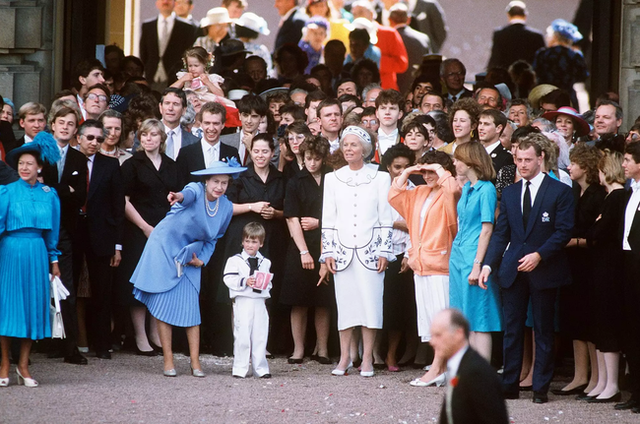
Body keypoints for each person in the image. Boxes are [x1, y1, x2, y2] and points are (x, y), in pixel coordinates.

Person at [480, 136, 575, 404]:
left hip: (544, 268)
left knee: (543, 329)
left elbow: (563, 231)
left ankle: (540, 387)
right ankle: (509, 384)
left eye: (527, 160)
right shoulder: (510, 193)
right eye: (518, 160)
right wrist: (488, 263)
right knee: (512, 328)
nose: (522, 165)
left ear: (541, 157)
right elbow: (501, 233)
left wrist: (539, 255)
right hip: (512, 268)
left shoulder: (560, 191)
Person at [131, 159, 245, 376]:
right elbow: (186, 195)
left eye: (224, 182)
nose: (219, 187)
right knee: (163, 306)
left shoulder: (226, 207)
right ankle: (168, 362)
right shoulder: (194, 189)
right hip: (164, 247)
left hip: (191, 253)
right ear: (206, 181)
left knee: (192, 309)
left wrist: (202, 260)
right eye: (215, 182)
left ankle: (195, 363)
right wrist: (178, 197)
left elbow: (214, 239)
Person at [319, 125, 394, 377]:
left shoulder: (380, 177)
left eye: (354, 145)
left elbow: (386, 218)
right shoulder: (333, 177)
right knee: (346, 305)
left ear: (365, 149)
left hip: (371, 251)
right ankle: (344, 359)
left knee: (371, 305)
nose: (348, 149)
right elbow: (328, 218)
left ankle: (368, 360)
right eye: (345, 144)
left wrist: (384, 250)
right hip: (341, 251)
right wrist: (327, 252)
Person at [388, 150, 460, 387]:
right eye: (425, 171)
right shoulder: (418, 192)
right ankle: (441, 368)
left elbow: (452, 189)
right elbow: (394, 195)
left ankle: (441, 369)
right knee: (430, 321)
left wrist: (441, 171)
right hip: (420, 263)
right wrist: (410, 170)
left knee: (442, 320)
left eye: (432, 171)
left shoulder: (450, 191)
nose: (427, 175)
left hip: (440, 264)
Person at [0, 133, 61, 390]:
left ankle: (23, 365)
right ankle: (4, 363)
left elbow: (53, 233)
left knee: (32, 309)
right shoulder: (6, 191)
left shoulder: (50, 194)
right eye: (21, 163)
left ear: (40, 167)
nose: (24, 168)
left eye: (29, 164)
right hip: (10, 252)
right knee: (8, 310)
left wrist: (54, 261)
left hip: (37, 253)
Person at [117, 119, 181, 356]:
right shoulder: (132, 165)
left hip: (166, 232)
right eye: (144, 135)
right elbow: (123, 201)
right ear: (139, 138)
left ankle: (155, 333)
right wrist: (144, 227)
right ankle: (140, 336)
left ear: (162, 138)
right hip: (139, 230)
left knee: (160, 283)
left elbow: (180, 197)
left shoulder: (172, 165)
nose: (148, 139)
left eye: (154, 135)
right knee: (139, 283)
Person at [73, 120, 125, 360]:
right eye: (90, 137)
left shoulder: (110, 164)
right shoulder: (68, 161)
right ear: (79, 138)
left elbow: (118, 207)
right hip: (72, 233)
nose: (94, 142)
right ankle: (69, 345)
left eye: (98, 138)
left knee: (102, 291)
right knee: (70, 290)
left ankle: (102, 345)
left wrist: (117, 245)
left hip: (102, 236)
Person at [40, 106, 88, 365]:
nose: (66, 127)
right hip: (38, 230)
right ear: (53, 124)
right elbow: (38, 188)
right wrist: (63, 189)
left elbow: (79, 196)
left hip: (66, 232)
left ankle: (70, 347)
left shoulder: (79, 159)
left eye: (71, 124)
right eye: (61, 122)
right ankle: (36, 344)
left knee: (66, 288)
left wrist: (56, 190)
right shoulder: (40, 153)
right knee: (36, 285)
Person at [280, 135, 332, 364]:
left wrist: (319, 223)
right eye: (309, 158)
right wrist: (303, 251)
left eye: (317, 159)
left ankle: (322, 349)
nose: (312, 163)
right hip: (300, 243)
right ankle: (298, 349)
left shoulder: (333, 179)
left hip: (328, 242)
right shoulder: (296, 181)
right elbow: (291, 218)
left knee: (324, 299)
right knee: (298, 299)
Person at [449, 142, 501, 362]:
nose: (455, 163)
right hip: (459, 253)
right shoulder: (468, 188)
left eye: (458, 159)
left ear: (470, 161)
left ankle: (482, 374)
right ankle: (468, 370)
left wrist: (478, 264)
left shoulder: (486, 188)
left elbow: (487, 228)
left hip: (473, 254)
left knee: (479, 317)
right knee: (464, 317)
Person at [582, 151, 626, 403]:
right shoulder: (613, 197)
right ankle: (603, 382)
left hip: (609, 267)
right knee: (600, 324)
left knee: (607, 324)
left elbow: (598, 231)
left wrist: (595, 226)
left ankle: (611, 384)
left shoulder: (617, 197)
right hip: (602, 266)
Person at [431, 309, 509, 424]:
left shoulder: (477, 372)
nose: (432, 342)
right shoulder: (459, 364)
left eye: (438, 335)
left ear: (458, 334)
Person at [378, 144, 416, 371]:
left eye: (406, 167)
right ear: (388, 167)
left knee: (398, 309)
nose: (401, 171)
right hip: (376, 252)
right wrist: (397, 223)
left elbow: (417, 225)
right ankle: (372, 354)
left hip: (403, 253)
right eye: (397, 167)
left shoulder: (415, 190)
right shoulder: (378, 187)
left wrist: (409, 253)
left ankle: (392, 355)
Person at [224, 222, 273, 378]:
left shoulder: (265, 262)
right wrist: (244, 281)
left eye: (254, 242)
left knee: (260, 335)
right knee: (242, 335)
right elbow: (228, 278)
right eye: (247, 241)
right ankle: (240, 368)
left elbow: (269, 283)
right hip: (243, 300)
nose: (250, 245)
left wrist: (264, 284)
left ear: (261, 243)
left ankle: (261, 368)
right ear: (242, 241)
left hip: (259, 301)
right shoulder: (235, 260)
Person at [619, 142, 640, 413]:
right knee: (631, 331)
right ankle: (635, 391)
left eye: (627, 160)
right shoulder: (631, 190)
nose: (623, 164)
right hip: (627, 263)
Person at [178, 102, 240, 185]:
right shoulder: (186, 153)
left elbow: (236, 184)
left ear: (223, 125)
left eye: (216, 123)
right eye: (207, 123)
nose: (211, 128)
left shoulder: (231, 152)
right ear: (201, 124)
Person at [139, 0, 197, 90]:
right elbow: (143, 52)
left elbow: (188, 54)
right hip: (152, 77)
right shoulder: (147, 26)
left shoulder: (186, 28)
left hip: (176, 78)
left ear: (175, 3)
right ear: (157, 3)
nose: (165, 2)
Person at [533, 19, 588, 108]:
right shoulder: (575, 55)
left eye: (549, 34)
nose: (546, 37)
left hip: (547, 97)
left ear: (555, 36)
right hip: (568, 97)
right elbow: (583, 76)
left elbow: (536, 74)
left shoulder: (542, 54)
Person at [487, 1, 545, 70]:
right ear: (525, 16)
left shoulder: (499, 34)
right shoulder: (536, 36)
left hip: (506, 78)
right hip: (528, 78)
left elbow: (495, 59)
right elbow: (542, 62)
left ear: (508, 15)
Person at [389, 3, 431, 96]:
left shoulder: (387, 38)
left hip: (393, 91)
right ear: (408, 19)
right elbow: (429, 66)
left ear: (389, 20)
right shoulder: (423, 38)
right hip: (418, 90)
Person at [158, 88, 200, 161]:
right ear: (160, 107)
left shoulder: (194, 141)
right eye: (167, 103)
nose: (170, 108)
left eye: (176, 104)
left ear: (184, 110)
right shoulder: (145, 135)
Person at [477, 109, 513, 176]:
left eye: (486, 124)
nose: (480, 128)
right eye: (480, 123)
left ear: (498, 128)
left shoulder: (506, 158)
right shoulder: (473, 152)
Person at [374, 89, 404, 162]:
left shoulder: (406, 140)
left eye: (392, 108)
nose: (387, 112)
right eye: (383, 108)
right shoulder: (368, 140)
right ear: (377, 113)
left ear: (400, 114)